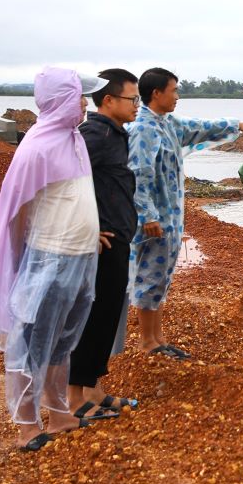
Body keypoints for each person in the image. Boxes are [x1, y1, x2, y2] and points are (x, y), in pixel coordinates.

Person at [0, 67, 116, 452]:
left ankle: (59, 413)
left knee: (63, 340)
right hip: (49, 257)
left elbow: (74, 197)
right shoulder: (36, 148)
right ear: (61, 100)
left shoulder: (73, 141)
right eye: (79, 96)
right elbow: (16, 211)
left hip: (80, 256)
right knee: (33, 340)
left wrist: (90, 232)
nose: (85, 102)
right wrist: (19, 261)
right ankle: (26, 425)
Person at [121, 67, 243, 359]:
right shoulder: (143, 129)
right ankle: (147, 342)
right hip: (153, 219)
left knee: (161, 275)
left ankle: (158, 339)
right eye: (174, 90)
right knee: (149, 276)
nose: (177, 96)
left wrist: (237, 125)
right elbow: (138, 175)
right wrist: (147, 215)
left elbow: (200, 126)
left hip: (170, 216)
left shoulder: (168, 123)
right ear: (156, 93)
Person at [67, 69, 142, 418]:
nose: (137, 105)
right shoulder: (93, 135)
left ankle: (94, 390)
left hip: (119, 238)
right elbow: (62, 184)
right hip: (103, 243)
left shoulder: (115, 134)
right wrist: (87, 231)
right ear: (109, 100)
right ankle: (74, 399)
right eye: (133, 99)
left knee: (108, 316)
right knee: (93, 318)